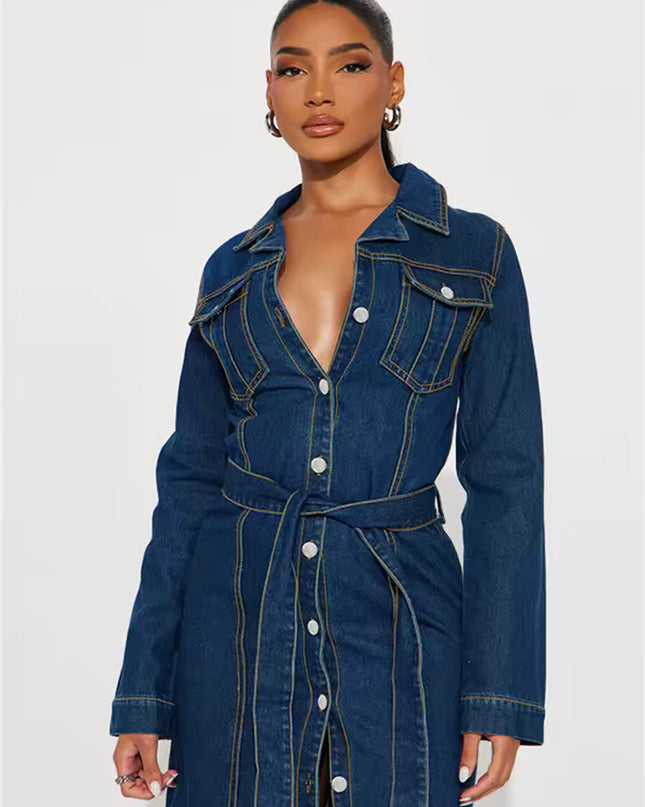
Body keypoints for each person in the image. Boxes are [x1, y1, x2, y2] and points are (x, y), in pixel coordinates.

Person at [109, 1, 546, 805]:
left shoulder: (472, 252)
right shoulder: (231, 270)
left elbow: (506, 480)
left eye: (348, 64)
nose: (318, 90)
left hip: (402, 635)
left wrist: (499, 692)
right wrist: (145, 693)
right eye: (292, 68)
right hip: (236, 639)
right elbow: (189, 486)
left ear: (392, 82)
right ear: (268, 92)